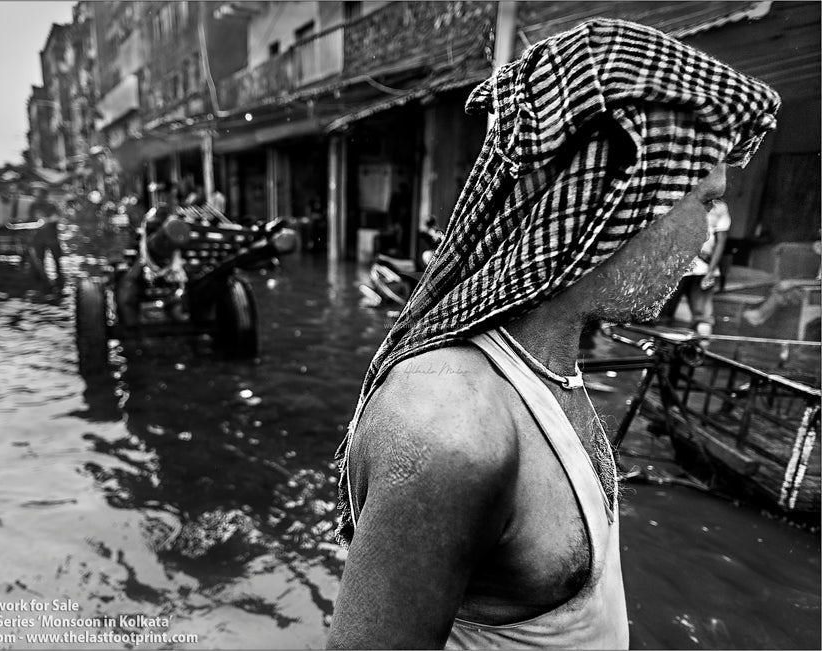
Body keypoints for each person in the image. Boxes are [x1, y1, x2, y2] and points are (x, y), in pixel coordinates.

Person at [327, 19, 779, 650]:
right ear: (621, 201)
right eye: (702, 202)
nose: (705, 242)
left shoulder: (550, 364)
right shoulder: (450, 428)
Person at [659, 198, 732, 338]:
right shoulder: (680, 200)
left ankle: (699, 353)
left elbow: (721, 240)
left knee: (702, 318)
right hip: (678, 269)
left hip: (702, 269)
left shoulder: (719, 207)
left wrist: (711, 270)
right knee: (663, 315)